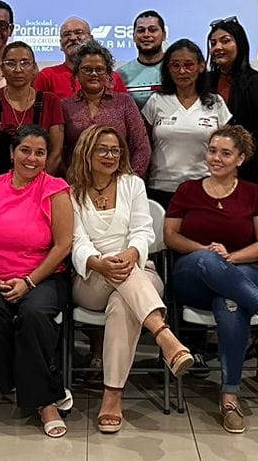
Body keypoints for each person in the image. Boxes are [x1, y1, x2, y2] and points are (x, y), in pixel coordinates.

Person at [164, 126, 258, 434]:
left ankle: (229, 395)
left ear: (240, 158)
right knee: (206, 260)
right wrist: (208, 253)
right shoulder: (188, 190)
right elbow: (171, 236)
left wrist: (231, 258)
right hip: (193, 276)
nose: (216, 158)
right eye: (213, 150)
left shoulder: (254, 193)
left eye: (225, 153)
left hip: (243, 271)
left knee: (230, 302)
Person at [67, 125, 193, 433]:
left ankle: (112, 397)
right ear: (87, 152)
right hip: (91, 278)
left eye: (115, 150)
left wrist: (132, 255)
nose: (110, 156)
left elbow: (142, 230)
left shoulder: (132, 184)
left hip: (137, 270)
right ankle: (165, 337)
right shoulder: (71, 191)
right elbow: (76, 240)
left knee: (123, 303)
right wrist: (99, 263)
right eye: (102, 149)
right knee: (124, 287)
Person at [0, 126, 75, 436]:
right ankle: (46, 389)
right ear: (12, 153)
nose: (32, 158)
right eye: (25, 150)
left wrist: (29, 281)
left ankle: (44, 403)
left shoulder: (55, 189)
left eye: (40, 152)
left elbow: (63, 245)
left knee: (33, 314)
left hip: (44, 277)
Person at [143, 39, 231, 206]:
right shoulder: (156, 101)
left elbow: (228, 149)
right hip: (160, 188)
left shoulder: (216, 102)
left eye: (189, 65)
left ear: (201, 66)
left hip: (204, 188)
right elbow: (143, 145)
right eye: (175, 65)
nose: (182, 71)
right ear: (168, 69)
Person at [208, 18, 258, 194]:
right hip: (211, 174)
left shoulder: (257, 84)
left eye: (225, 41)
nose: (218, 47)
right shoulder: (205, 82)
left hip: (250, 177)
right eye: (213, 43)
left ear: (240, 44)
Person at [0, 41, 64, 176]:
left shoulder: (50, 101)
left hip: (40, 186)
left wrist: (35, 187)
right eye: (10, 63)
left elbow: (56, 154)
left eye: (25, 63)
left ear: (34, 69)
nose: (18, 69)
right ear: (2, 69)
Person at [60, 43, 151, 176]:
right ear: (76, 73)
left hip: (119, 184)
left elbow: (141, 147)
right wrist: (68, 182)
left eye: (100, 69)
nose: (94, 74)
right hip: (76, 185)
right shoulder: (65, 106)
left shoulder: (124, 102)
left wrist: (129, 182)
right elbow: (58, 151)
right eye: (87, 69)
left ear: (108, 74)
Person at [34, 17, 127, 97]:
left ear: (91, 39)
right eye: (66, 34)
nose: (73, 38)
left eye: (79, 32)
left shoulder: (112, 77)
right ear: (60, 44)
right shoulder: (47, 76)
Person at [120, 10, 167, 107]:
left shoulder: (178, 70)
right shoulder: (120, 75)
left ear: (164, 35)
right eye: (141, 30)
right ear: (133, 36)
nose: (146, 34)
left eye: (152, 30)